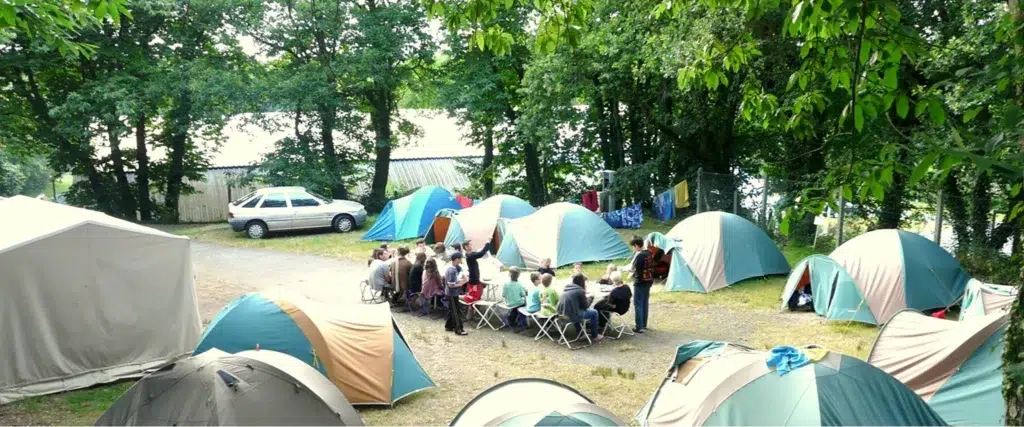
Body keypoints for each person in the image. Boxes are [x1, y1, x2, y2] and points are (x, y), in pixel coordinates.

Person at [561, 274, 602, 341]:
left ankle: (581, 334)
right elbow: (586, 306)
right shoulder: (580, 291)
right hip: (571, 317)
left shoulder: (567, 288)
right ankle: (595, 335)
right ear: (582, 282)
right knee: (594, 312)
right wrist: (591, 297)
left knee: (576, 310)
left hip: (562, 316)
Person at [630, 237, 653, 333]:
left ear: (636, 246)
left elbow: (637, 270)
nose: (633, 249)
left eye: (633, 247)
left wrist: (631, 270)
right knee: (644, 302)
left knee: (638, 304)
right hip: (648, 281)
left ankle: (639, 326)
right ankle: (644, 324)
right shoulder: (649, 253)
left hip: (640, 282)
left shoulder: (640, 256)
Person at [444, 253, 468, 335]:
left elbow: (452, 281)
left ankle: (449, 326)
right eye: (460, 259)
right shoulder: (452, 270)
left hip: (450, 293)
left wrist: (460, 281)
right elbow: (451, 285)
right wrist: (461, 284)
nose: (461, 261)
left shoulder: (451, 268)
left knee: (452, 310)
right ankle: (459, 329)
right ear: (457, 259)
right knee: (456, 311)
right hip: (452, 294)